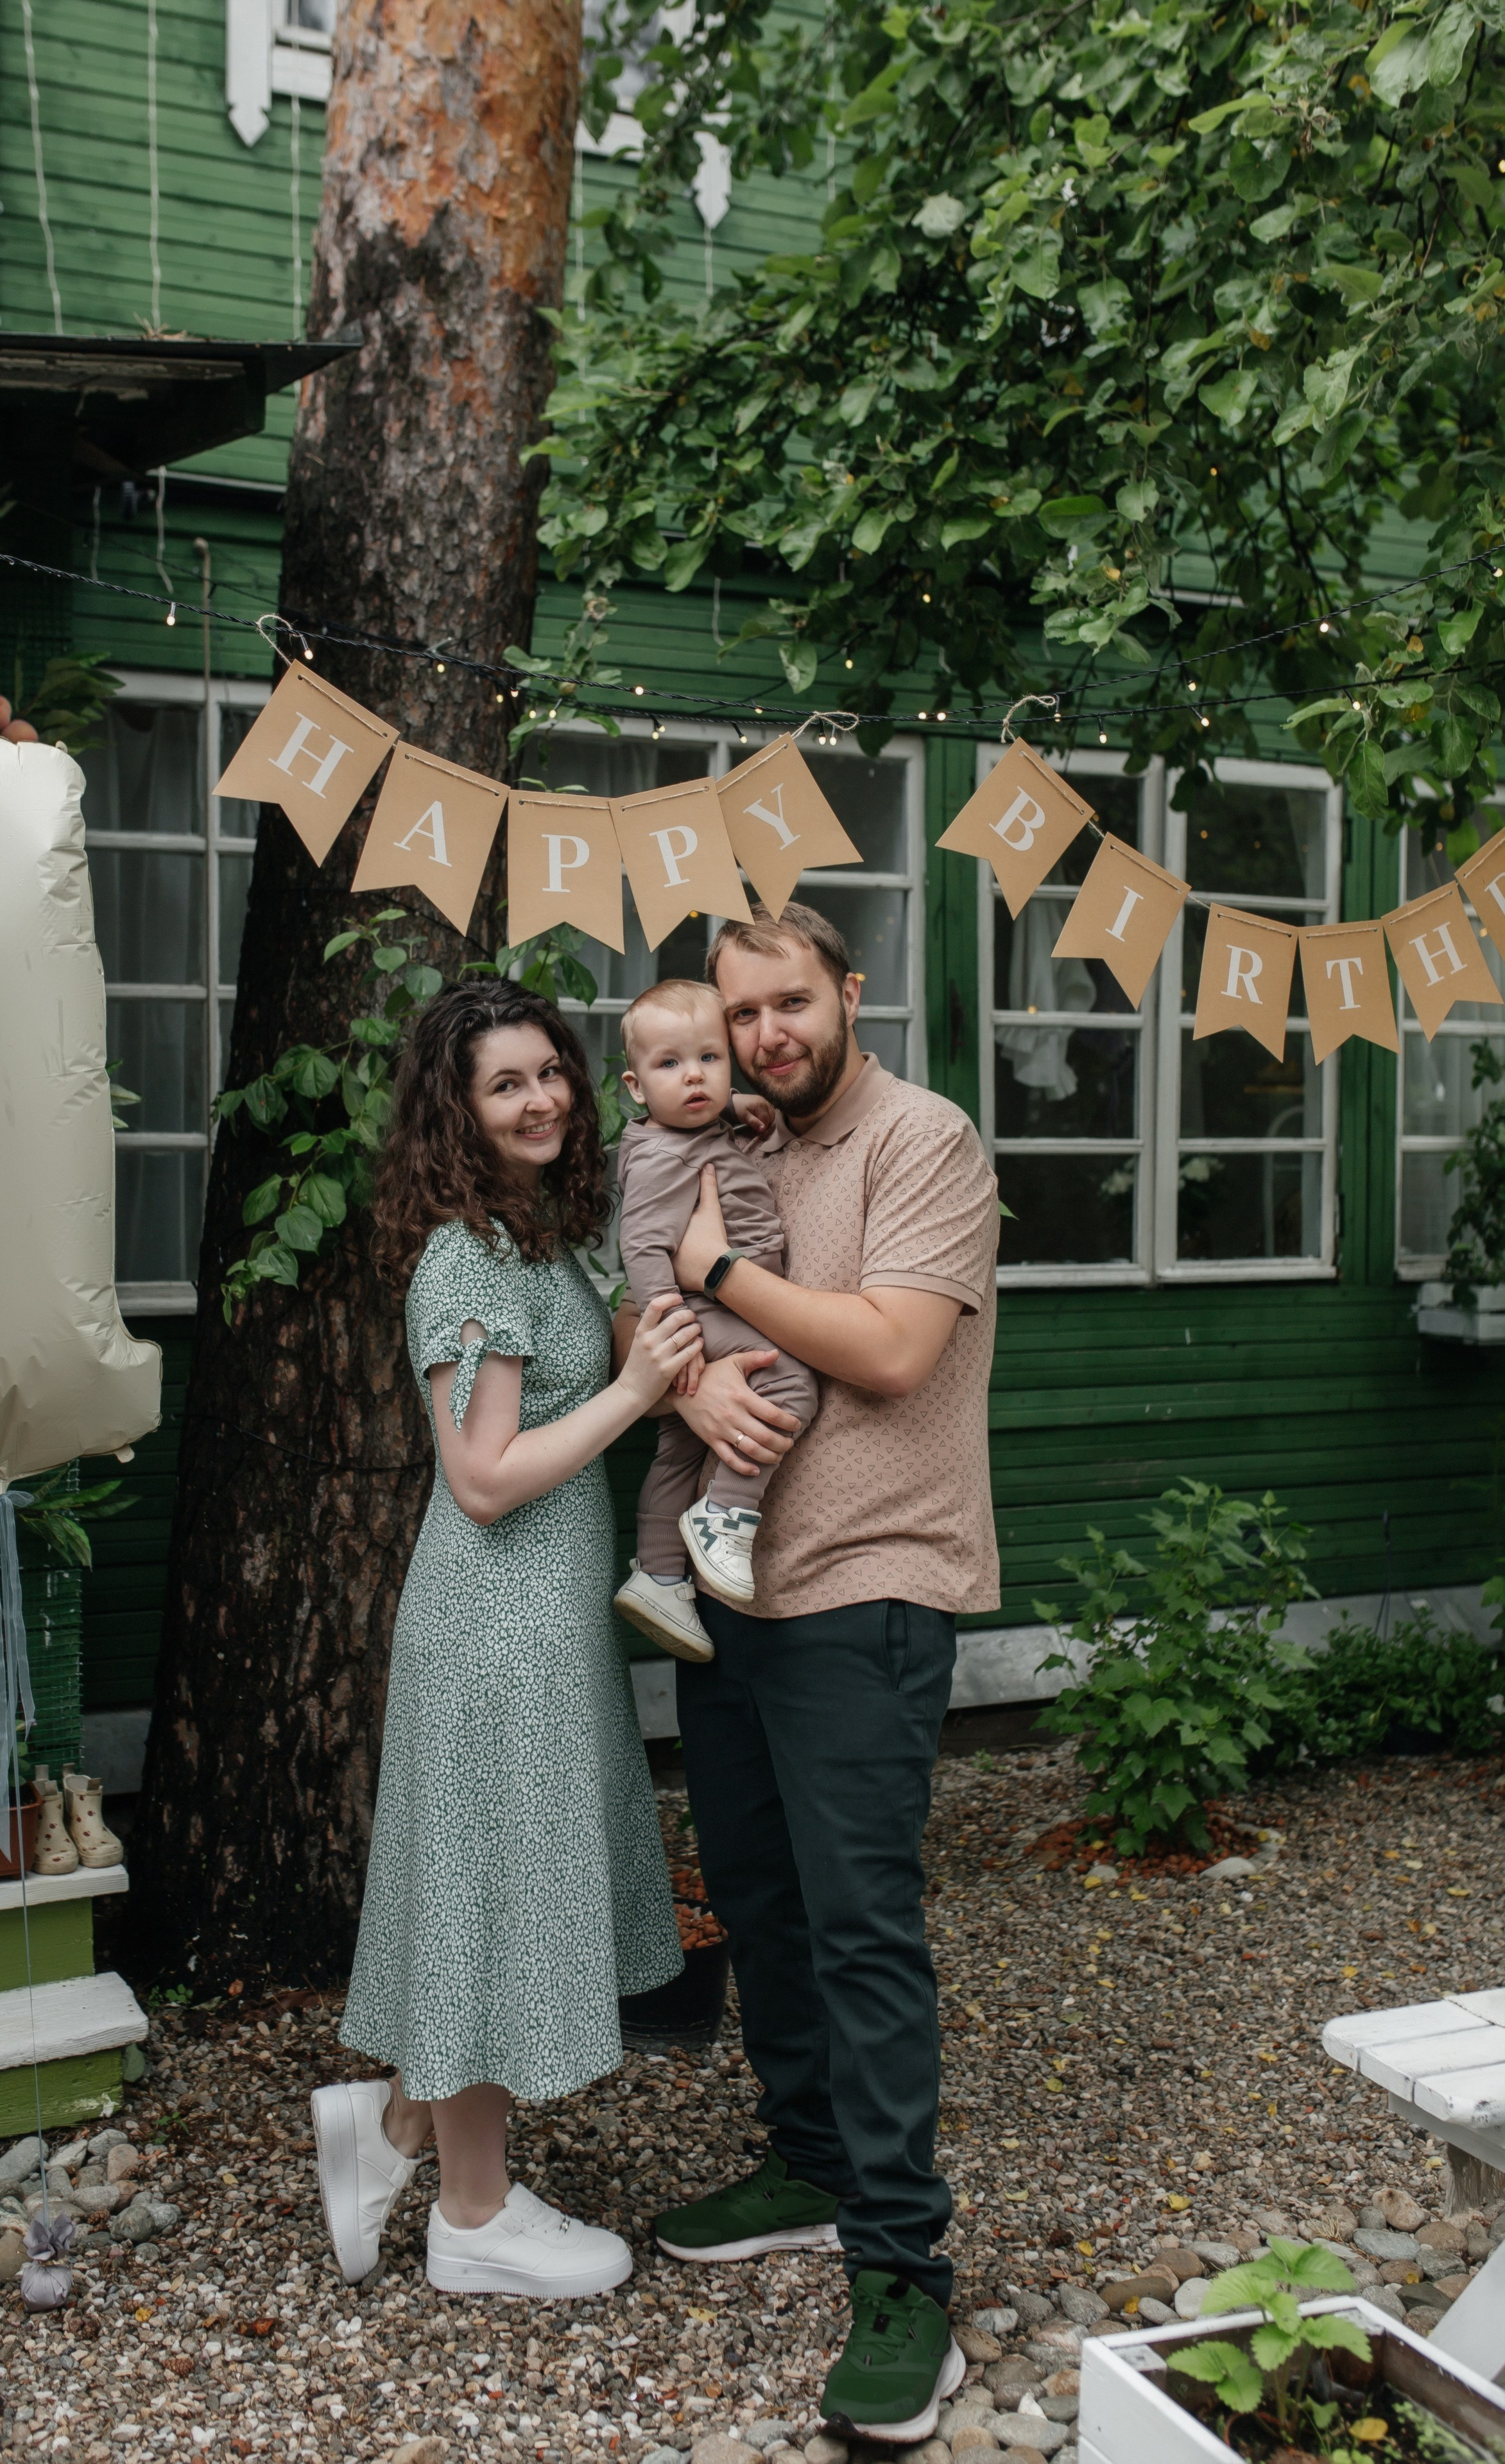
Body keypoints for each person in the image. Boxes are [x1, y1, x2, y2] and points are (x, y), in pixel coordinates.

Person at [619, 903, 1000, 2444]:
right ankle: (805, 2156)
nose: (764, 1032)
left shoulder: (923, 1138)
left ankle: (904, 2265)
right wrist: (692, 1357)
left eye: (788, 1002)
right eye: (740, 1012)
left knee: (857, 1925)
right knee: (755, 1891)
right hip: (732, 1579)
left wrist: (722, 1266)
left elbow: (893, 1347)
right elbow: (649, 1284)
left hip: (872, 1573)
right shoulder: (727, 1124)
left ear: (847, 990)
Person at [313, 979, 702, 2301]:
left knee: (489, 1892)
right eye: (504, 1084)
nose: (539, 1100)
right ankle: (473, 2221)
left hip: (540, 1625)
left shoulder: (541, 1238)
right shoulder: (467, 1258)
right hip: (492, 1630)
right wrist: (639, 1391)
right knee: (482, 1911)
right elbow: (478, 1475)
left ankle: (397, 2130)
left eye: (549, 1074)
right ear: (454, 1112)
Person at [612, 977, 818, 1663]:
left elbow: (710, 1105)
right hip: (700, 1309)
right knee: (788, 1381)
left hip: (713, 1303)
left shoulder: (696, 1127)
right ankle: (727, 1513)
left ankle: (660, 1575)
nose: (693, 1077)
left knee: (681, 1445)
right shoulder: (662, 1154)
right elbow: (641, 1245)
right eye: (669, 1065)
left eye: (709, 1059)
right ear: (636, 1087)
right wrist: (669, 1328)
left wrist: (736, 1105)